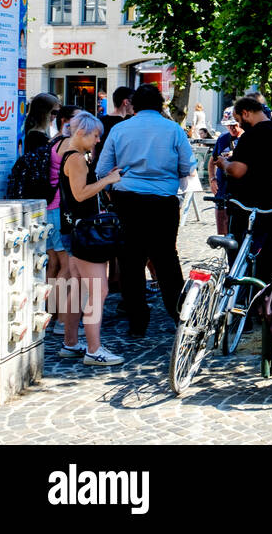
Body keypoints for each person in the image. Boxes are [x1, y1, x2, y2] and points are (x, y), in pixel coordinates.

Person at [98, 84, 195, 337]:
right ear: (161, 104)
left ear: (133, 104)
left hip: (128, 200)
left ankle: (137, 322)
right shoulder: (173, 129)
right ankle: (179, 315)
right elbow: (187, 167)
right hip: (163, 201)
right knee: (166, 260)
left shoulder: (119, 129)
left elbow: (102, 170)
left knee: (131, 262)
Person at [55, 112, 125, 366]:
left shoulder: (73, 156)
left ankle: (71, 343)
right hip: (86, 233)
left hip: (77, 231)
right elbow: (81, 194)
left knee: (80, 289)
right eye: (96, 135)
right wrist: (107, 180)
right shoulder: (76, 159)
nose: (98, 140)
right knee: (99, 290)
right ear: (82, 132)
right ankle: (94, 350)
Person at [213, 96, 272, 281]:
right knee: (267, 256)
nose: (239, 124)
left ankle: (240, 298)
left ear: (246, 113)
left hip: (249, 206)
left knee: (241, 255)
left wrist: (224, 164)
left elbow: (238, 170)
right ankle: (265, 300)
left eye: (239, 119)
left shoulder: (253, 134)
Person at [208, 112, 243, 238]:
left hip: (240, 190)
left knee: (239, 229)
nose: (232, 128)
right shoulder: (223, 138)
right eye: (228, 125)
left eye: (234, 124)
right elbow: (212, 161)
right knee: (223, 228)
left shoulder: (247, 138)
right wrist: (212, 179)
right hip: (223, 187)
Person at [95, 86, 134, 165]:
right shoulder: (131, 122)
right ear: (126, 102)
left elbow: (94, 150)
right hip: (121, 168)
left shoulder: (100, 122)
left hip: (100, 166)